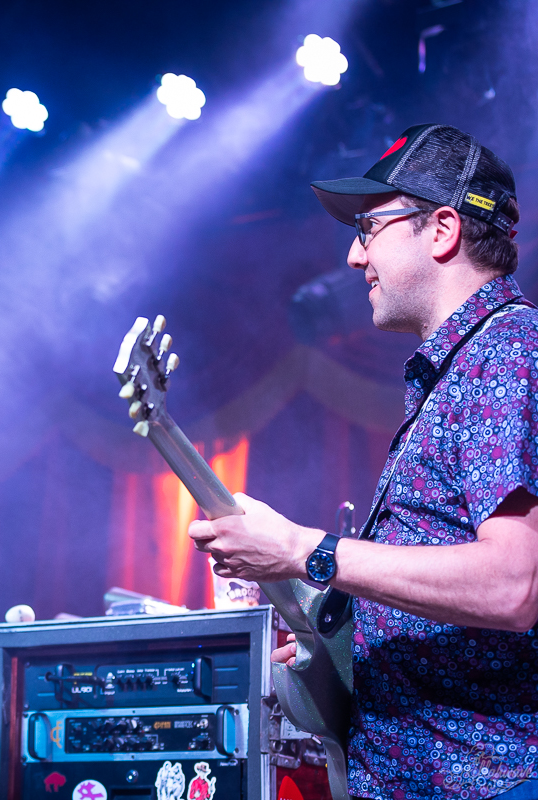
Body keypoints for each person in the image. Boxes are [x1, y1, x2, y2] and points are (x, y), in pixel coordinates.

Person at [188, 123, 538, 799]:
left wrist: (303, 550)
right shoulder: (462, 368)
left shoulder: (507, 354)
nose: (354, 257)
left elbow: (513, 585)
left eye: (370, 227)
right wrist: (335, 633)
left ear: (441, 230)